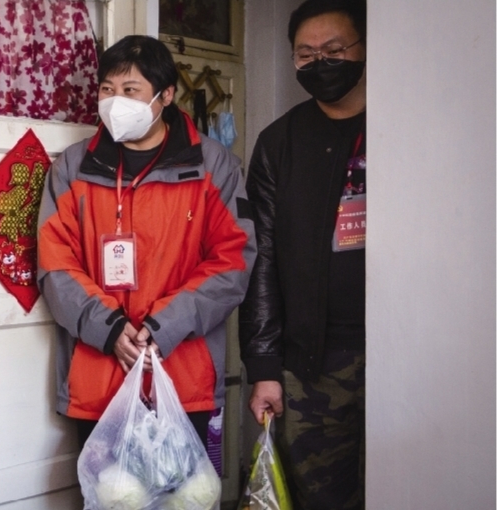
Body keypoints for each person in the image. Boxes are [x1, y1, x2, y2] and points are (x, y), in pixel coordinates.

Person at [37, 35, 255, 450]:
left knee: (185, 495)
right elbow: (55, 262)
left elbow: (233, 261)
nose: (115, 101)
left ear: (166, 95)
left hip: (183, 375)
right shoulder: (73, 166)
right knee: (109, 497)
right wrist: (111, 328)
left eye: (130, 90)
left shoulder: (214, 166)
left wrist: (164, 327)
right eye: (107, 89)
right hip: (98, 378)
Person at [239, 0, 367, 508]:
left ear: (363, 49)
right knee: (317, 498)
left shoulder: (410, 129)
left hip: (409, 350)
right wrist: (264, 365)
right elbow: (261, 261)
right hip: (313, 363)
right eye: (306, 54)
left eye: (334, 50)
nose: (321, 63)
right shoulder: (278, 144)